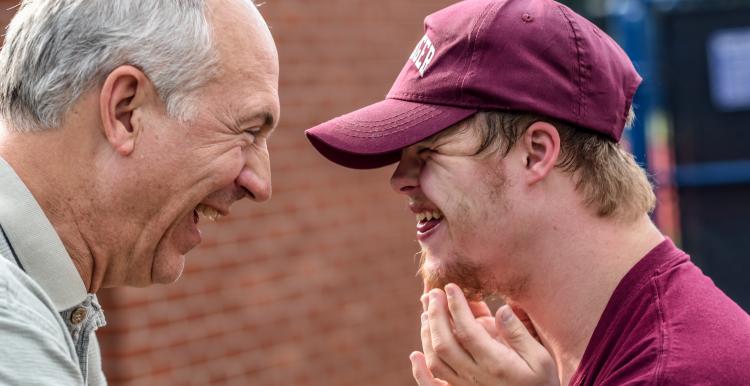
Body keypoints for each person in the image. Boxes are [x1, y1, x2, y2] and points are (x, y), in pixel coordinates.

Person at [305, 0, 750, 385]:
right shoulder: (548, 348)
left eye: (428, 150)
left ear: (536, 153)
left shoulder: (679, 372)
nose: (399, 178)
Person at [0, 0, 279, 384]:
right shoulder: (10, 321)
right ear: (125, 111)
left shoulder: (51, 303)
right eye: (247, 132)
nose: (260, 184)